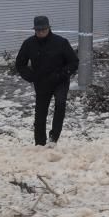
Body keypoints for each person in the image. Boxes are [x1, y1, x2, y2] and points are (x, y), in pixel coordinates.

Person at [15, 16, 79, 146]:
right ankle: (39, 143)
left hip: (60, 80)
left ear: (49, 28)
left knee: (60, 104)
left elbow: (73, 62)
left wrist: (62, 74)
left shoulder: (61, 42)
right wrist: (31, 77)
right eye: (38, 30)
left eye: (43, 29)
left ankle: (54, 137)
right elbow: (20, 64)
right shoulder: (29, 44)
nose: (40, 32)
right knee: (40, 113)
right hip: (41, 82)